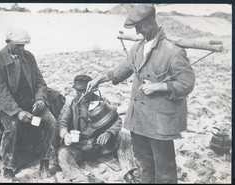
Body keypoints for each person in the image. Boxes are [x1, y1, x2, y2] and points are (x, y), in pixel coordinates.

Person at [86, 4, 196, 184]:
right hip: (138, 120)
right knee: (144, 165)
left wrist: (159, 86)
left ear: (151, 22)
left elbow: (187, 83)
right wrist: (100, 79)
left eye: (140, 27)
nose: (137, 32)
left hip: (160, 123)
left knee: (164, 169)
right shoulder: (138, 47)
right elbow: (122, 70)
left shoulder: (173, 51)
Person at [0, 26, 57, 182]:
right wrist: (17, 112)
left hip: (29, 100)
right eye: (18, 45)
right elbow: (0, 91)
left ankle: (44, 162)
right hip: (6, 104)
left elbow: (39, 81)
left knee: (50, 122)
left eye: (24, 45)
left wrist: (40, 99)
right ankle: (8, 168)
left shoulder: (28, 56)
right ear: (8, 42)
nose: (21, 48)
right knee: (12, 126)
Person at [57, 75, 138, 183]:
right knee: (63, 154)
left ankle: (128, 172)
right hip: (80, 147)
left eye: (84, 91)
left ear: (91, 89)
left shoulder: (101, 101)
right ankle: (81, 179)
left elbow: (117, 120)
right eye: (78, 91)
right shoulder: (71, 104)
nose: (81, 94)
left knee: (124, 135)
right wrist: (65, 134)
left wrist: (109, 133)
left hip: (100, 145)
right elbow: (61, 124)